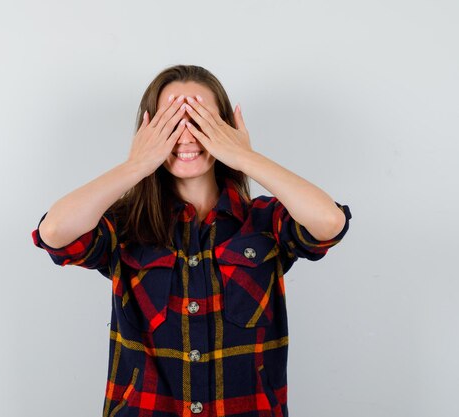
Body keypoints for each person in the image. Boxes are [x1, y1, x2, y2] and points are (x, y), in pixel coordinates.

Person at [31, 64, 352, 417]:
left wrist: (245, 157)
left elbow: (329, 223)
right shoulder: (126, 225)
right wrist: (137, 164)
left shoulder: (264, 221)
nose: (186, 135)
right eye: (172, 121)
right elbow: (55, 233)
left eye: (200, 119)